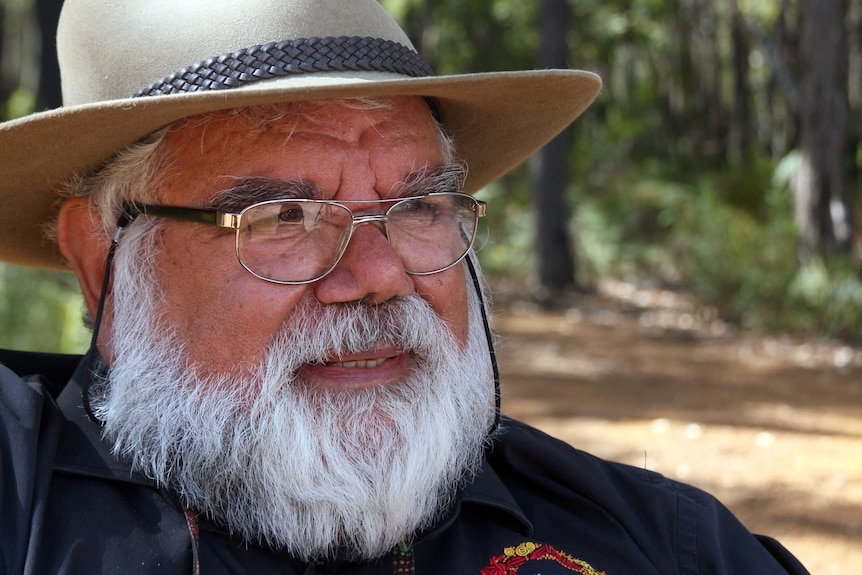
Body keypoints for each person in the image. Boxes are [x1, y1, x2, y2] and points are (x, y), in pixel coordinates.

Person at [0, 1, 810, 574]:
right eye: (284, 216)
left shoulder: (664, 544)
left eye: (418, 206)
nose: (382, 273)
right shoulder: (20, 494)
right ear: (101, 257)